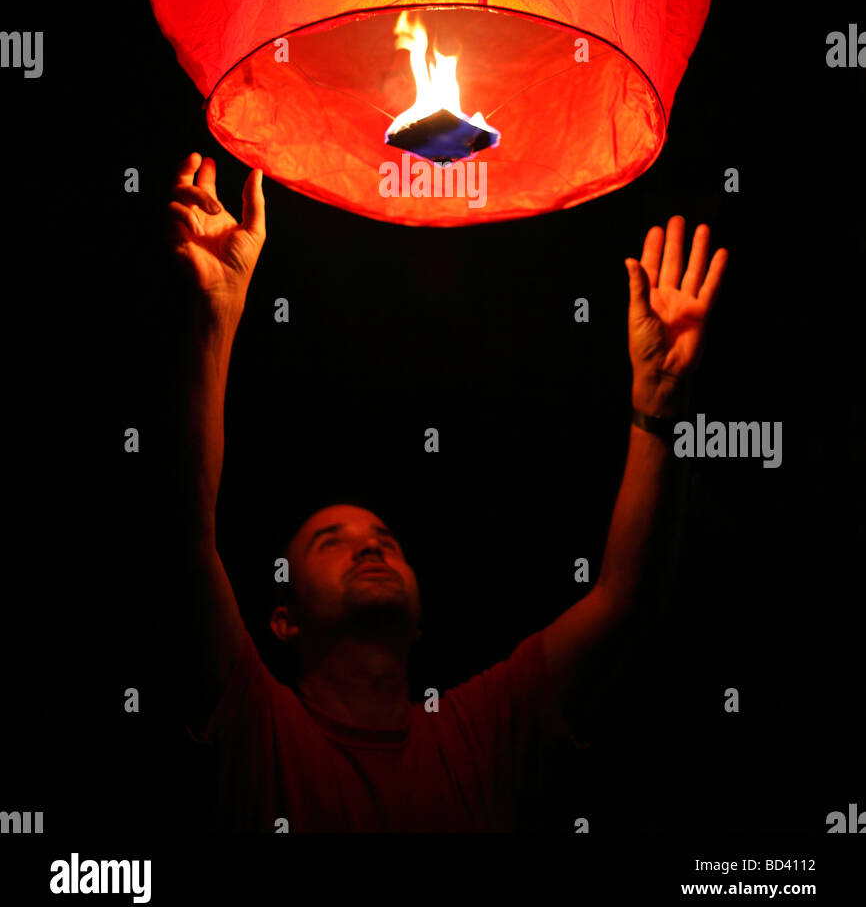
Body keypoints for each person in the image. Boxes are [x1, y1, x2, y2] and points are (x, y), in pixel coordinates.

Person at [166, 151, 727, 833]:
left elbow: (623, 601)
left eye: (386, 541)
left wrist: (658, 409)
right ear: (284, 620)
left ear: (423, 615)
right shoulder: (257, 724)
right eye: (330, 541)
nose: (370, 548)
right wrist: (215, 315)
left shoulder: (481, 730)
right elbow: (185, 540)